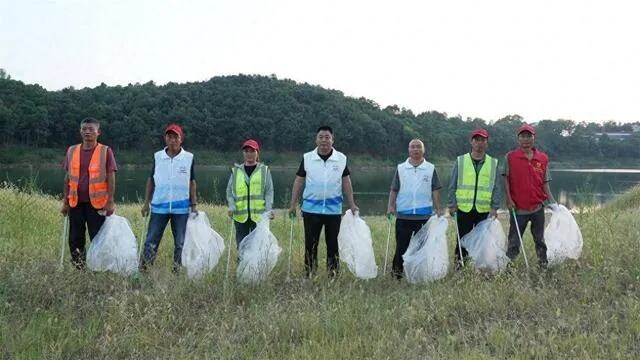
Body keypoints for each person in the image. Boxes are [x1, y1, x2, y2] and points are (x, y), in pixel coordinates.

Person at [288, 126, 358, 277]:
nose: (324, 140)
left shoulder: (341, 159)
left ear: (333, 140)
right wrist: (293, 204)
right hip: (311, 210)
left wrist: (351, 203)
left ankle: (333, 274)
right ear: (316, 139)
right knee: (311, 244)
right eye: (321, 137)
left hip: (333, 210)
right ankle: (310, 274)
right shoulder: (307, 158)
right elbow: (299, 181)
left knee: (333, 244)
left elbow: (346, 182)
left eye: (327, 137)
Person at [61, 117, 117, 270]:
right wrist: (65, 202)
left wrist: (110, 200)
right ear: (80, 131)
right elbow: (67, 177)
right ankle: (79, 268)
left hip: (97, 204)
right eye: (84, 129)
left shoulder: (105, 151)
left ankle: (98, 268)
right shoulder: (72, 150)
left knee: (98, 238)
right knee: (75, 239)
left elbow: (111, 176)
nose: (87, 132)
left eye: (91, 129)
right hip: (75, 202)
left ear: (98, 132)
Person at [140, 124, 197, 272]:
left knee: (180, 243)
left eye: (175, 137)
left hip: (181, 208)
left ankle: (177, 271)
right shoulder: (158, 157)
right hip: (159, 205)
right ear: (165, 139)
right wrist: (146, 203)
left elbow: (192, 181)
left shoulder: (189, 158)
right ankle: (145, 270)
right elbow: (151, 180)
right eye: (169, 137)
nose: (172, 140)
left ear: (181, 139)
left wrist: (194, 204)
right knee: (151, 240)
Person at [386, 139, 443, 279]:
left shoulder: (430, 168)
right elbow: (394, 189)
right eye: (412, 147)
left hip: (424, 216)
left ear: (423, 150)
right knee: (401, 247)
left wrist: (438, 208)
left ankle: (419, 275)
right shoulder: (401, 168)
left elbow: (435, 189)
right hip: (404, 215)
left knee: (421, 248)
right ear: (408, 150)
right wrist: (390, 206)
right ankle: (396, 274)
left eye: (418, 147)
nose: (415, 149)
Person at [503, 124, 556, 266]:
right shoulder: (510, 157)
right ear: (518, 139)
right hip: (518, 208)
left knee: (540, 239)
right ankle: (509, 267)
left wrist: (553, 202)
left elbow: (545, 182)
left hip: (538, 207)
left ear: (534, 138)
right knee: (514, 241)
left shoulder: (543, 158)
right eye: (523, 136)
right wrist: (508, 199)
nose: (526, 139)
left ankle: (543, 265)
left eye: (529, 136)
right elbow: (505, 180)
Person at [448, 128, 501, 269]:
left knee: (483, 242)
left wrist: (494, 207)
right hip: (463, 208)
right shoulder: (461, 161)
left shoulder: (493, 163)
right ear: (471, 142)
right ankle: (460, 268)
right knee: (462, 240)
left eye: (483, 140)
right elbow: (452, 185)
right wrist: (452, 204)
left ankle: (481, 268)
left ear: (487, 143)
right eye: (476, 140)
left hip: (483, 210)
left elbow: (496, 187)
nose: (479, 143)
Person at [226, 139, 274, 248]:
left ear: (257, 153)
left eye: (252, 151)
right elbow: (229, 192)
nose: (249, 154)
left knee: (258, 245)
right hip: (240, 215)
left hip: (258, 216)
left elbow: (269, 192)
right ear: (243, 153)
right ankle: (242, 264)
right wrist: (231, 206)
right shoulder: (236, 171)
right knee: (242, 244)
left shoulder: (264, 171)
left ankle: (257, 265)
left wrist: (268, 210)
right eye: (246, 151)